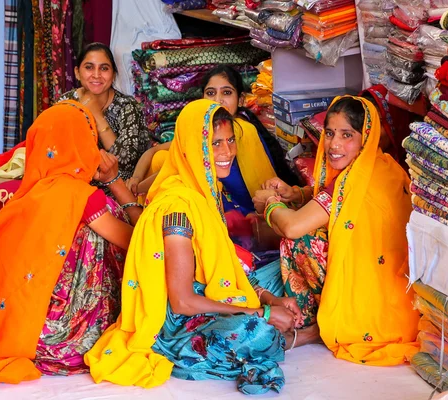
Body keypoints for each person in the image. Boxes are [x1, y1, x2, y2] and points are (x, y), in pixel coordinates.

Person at [83, 100, 315, 395]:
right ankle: (293, 338)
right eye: (214, 143)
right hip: (179, 323)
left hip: (207, 295)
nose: (227, 152)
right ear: (192, 147)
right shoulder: (178, 206)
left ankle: (280, 323)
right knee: (257, 334)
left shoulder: (205, 191)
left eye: (230, 140)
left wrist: (269, 298)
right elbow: (182, 302)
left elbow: (223, 267)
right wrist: (262, 314)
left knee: (289, 275)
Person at [0, 101, 143, 383]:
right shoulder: (80, 195)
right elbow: (138, 241)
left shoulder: (26, 196)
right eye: (89, 138)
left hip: (15, 328)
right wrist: (117, 183)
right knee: (105, 223)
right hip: (57, 340)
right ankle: (94, 321)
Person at [252, 95, 420, 366]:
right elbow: (338, 206)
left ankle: (316, 321)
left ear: (366, 138)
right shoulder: (386, 166)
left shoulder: (350, 183)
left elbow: (294, 227)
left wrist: (269, 204)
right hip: (399, 305)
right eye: (329, 133)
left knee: (302, 238)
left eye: (347, 135)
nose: (334, 144)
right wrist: (295, 193)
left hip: (364, 309)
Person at [126, 65, 301, 216]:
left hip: (243, 213)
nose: (218, 100)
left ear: (240, 99)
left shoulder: (243, 130)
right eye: (211, 93)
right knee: (162, 158)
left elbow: (259, 192)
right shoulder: (202, 131)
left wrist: (134, 192)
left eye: (226, 92)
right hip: (213, 202)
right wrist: (135, 180)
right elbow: (156, 153)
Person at [59, 42, 152, 181]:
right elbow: (53, 151)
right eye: (89, 67)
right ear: (77, 73)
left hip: (115, 188)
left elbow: (125, 162)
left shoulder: (127, 107)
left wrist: (96, 116)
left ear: (113, 75)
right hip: (72, 183)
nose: (96, 75)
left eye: (104, 68)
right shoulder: (65, 103)